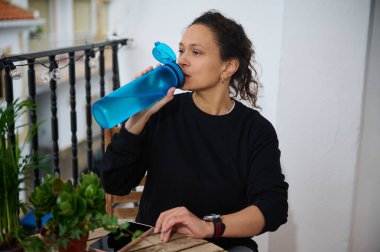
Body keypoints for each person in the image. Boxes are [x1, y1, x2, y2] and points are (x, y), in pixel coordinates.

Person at [101, 10, 288, 252]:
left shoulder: (255, 130)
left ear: (228, 66)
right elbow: (114, 183)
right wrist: (136, 122)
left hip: (221, 245)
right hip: (158, 242)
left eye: (196, 52)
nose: (182, 61)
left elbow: (272, 207)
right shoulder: (162, 113)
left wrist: (208, 227)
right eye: (181, 50)